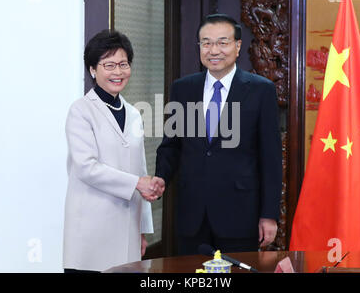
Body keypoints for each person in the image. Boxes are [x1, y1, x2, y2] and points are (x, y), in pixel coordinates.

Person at [154, 14, 282, 255]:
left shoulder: (260, 90)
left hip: (240, 215)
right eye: (206, 43)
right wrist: (161, 176)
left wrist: (269, 215)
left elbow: (271, 158)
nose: (214, 50)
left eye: (222, 42)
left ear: (237, 46)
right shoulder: (182, 88)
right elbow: (172, 145)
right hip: (192, 217)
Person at [63, 29, 164, 272]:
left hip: (126, 234)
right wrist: (138, 183)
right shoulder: (81, 111)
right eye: (108, 65)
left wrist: (142, 230)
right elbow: (86, 168)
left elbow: (141, 170)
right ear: (92, 70)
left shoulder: (132, 113)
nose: (118, 72)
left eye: (123, 64)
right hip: (89, 235)